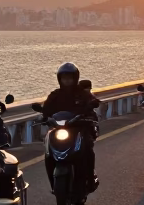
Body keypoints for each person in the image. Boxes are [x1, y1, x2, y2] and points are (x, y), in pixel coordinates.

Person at [39, 62, 101, 191]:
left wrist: (92, 104)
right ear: (60, 79)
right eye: (64, 78)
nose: (67, 81)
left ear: (75, 78)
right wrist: (43, 116)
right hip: (60, 128)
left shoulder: (82, 93)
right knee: (48, 151)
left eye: (69, 78)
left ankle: (89, 179)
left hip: (79, 127)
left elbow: (92, 101)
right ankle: (54, 183)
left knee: (88, 147)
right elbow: (46, 108)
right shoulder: (55, 95)